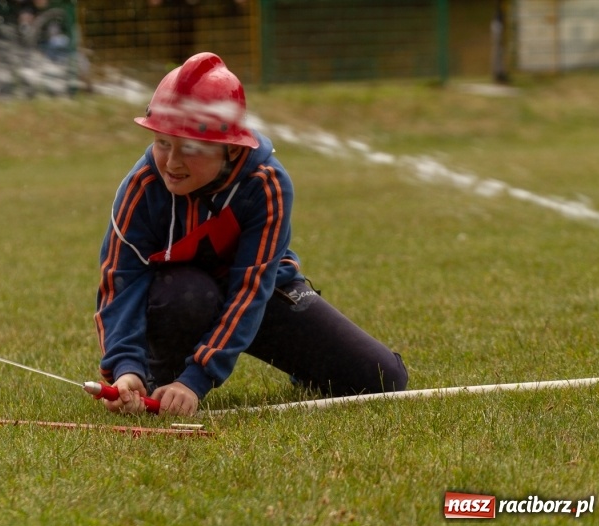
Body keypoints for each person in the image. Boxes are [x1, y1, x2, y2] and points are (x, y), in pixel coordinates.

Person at [95, 52, 408, 416]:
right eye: (163, 142)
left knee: (383, 380)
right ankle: (156, 380)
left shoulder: (267, 184)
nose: (172, 162)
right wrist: (125, 368)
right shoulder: (141, 188)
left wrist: (198, 378)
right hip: (182, 300)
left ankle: (302, 369)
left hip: (258, 297)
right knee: (188, 293)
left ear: (230, 147)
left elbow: (251, 290)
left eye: (190, 147)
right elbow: (121, 283)